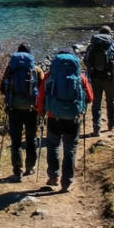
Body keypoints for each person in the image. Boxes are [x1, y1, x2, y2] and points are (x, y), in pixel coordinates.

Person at [37, 49, 93, 192]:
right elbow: (90, 98)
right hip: (73, 118)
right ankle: (66, 182)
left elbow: (42, 97)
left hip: (53, 117)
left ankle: (54, 176)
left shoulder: (49, 76)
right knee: (70, 150)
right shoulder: (80, 76)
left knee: (53, 146)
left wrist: (40, 112)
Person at [0, 43, 43, 180]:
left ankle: (18, 171)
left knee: (16, 141)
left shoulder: (10, 69)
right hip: (31, 109)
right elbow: (42, 91)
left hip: (14, 109)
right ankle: (30, 167)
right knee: (31, 139)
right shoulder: (36, 69)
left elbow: (1, 89)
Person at [83, 25, 114, 136]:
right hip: (110, 78)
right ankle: (112, 124)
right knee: (111, 100)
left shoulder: (91, 47)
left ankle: (97, 129)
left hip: (95, 77)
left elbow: (86, 61)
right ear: (110, 35)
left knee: (96, 102)